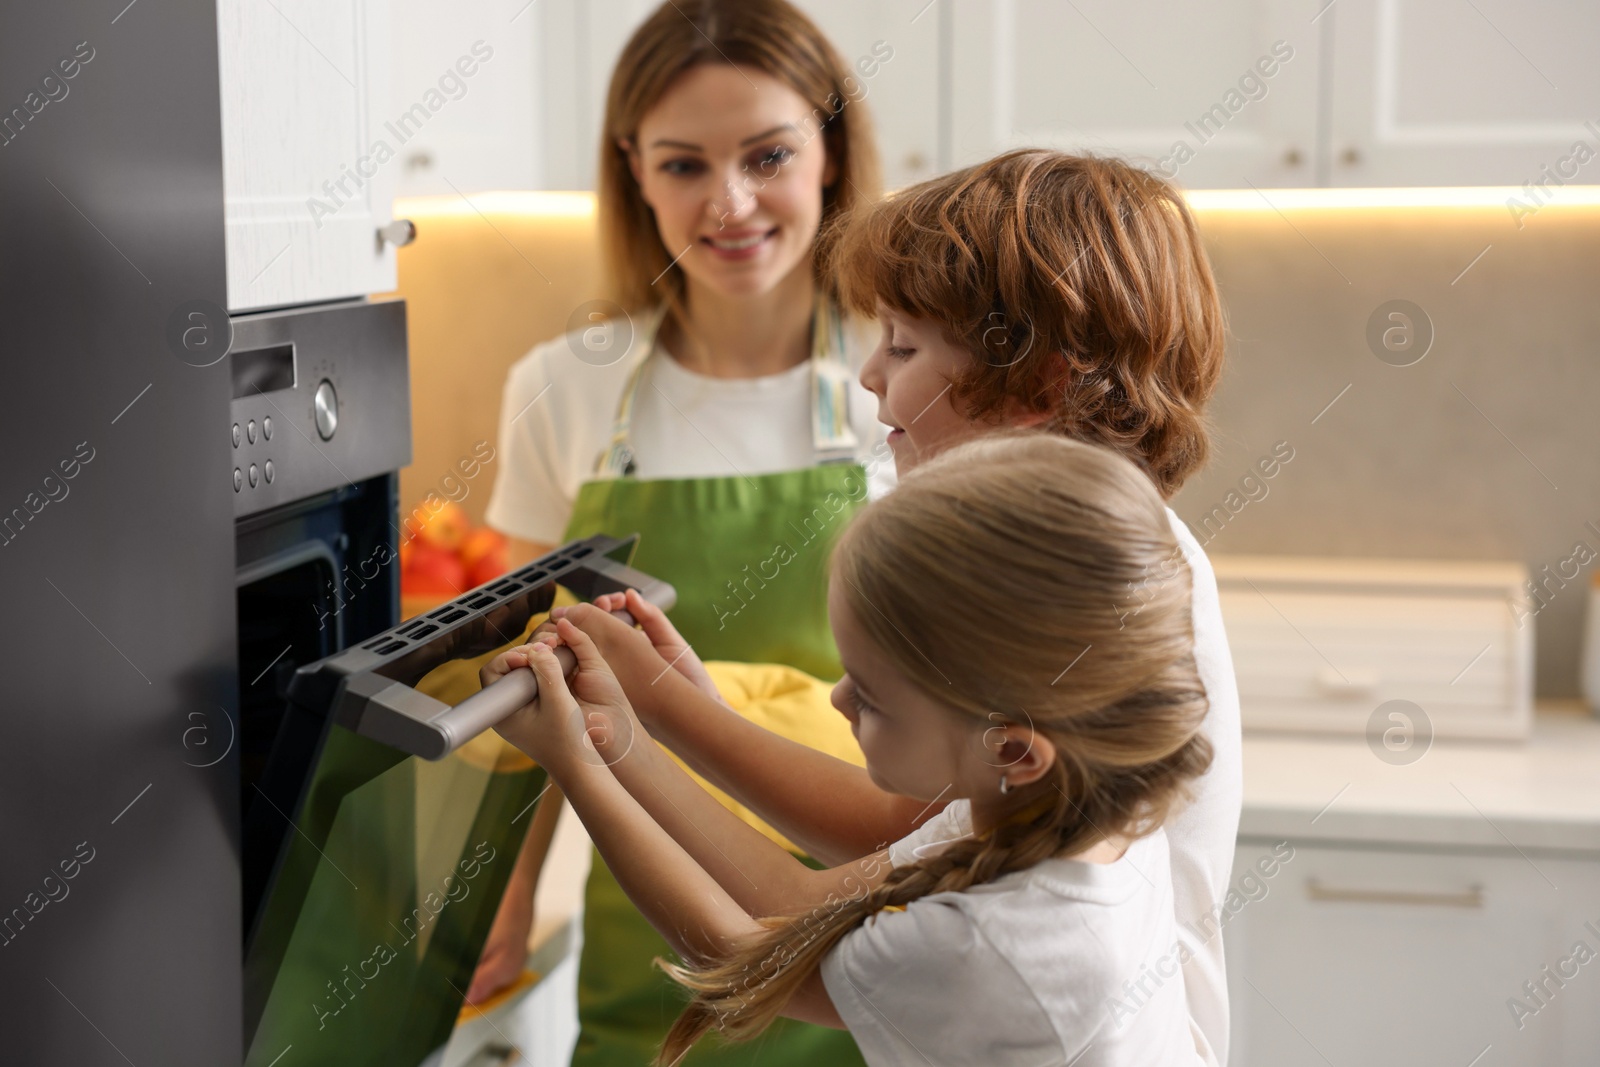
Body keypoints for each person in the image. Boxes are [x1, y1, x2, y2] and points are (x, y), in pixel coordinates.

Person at [555, 149, 1243, 1065]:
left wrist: (602, 746)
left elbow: (775, 934)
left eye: (905, 346)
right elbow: (913, 830)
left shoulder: (1086, 589)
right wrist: (677, 710)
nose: (871, 372)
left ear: (1038, 386)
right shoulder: (1084, 562)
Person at [483, 433, 1218, 1067]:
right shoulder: (1066, 812)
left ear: (1014, 747)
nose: (837, 699)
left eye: (870, 695)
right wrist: (639, 722)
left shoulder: (1002, 946)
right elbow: (794, 896)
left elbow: (745, 952)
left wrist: (579, 760)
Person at [472, 2, 890, 1064]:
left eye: (768, 154)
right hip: (655, 925)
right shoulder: (564, 389)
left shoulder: (909, 377)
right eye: (684, 166)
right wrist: (500, 901)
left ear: (831, 152)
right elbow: (528, 687)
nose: (730, 202)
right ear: (634, 171)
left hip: (892, 918)